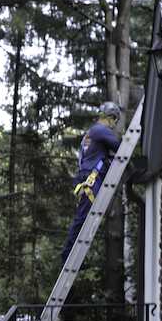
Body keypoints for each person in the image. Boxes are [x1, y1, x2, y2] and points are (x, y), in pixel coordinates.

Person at [60, 101, 121, 267]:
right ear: (111, 117)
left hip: (86, 178)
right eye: (115, 121)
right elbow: (120, 147)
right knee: (82, 219)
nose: (114, 126)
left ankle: (69, 256)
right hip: (91, 180)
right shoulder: (101, 130)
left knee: (82, 218)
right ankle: (67, 258)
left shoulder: (91, 133)